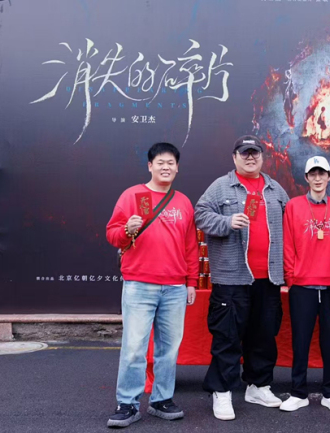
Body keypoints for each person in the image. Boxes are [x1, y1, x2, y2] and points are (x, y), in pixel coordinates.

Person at [195, 135, 290, 421]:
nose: (250, 157)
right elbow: (200, 215)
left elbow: (292, 223)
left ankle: (258, 386)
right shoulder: (221, 186)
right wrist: (226, 222)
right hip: (232, 279)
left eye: (255, 153)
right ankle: (222, 391)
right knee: (227, 337)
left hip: (268, 278)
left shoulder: (275, 189)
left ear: (262, 157)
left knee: (264, 334)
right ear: (234, 157)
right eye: (244, 153)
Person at [105, 142, 198, 428]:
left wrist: (191, 282)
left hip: (175, 287)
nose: (166, 167)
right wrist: (127, 229)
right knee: (134, 347)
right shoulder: (132, 195)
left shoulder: (183, 202)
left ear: (177, 167)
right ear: (150, 166)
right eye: (160, 162)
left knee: (168, 348)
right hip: (139, 284)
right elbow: (112, 234)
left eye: (171, 162)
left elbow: (191, 246)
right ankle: (127, 404)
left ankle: (161, 400)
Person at [280, 156, 330, 412]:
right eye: (313, 174)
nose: (318, 178)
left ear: (329, 176)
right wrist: (291, 278)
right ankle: (298, 392)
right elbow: (288, 244)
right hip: (302, 284)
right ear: (306, 178)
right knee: (300, 340)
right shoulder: (294, 206)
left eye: (322, 174)